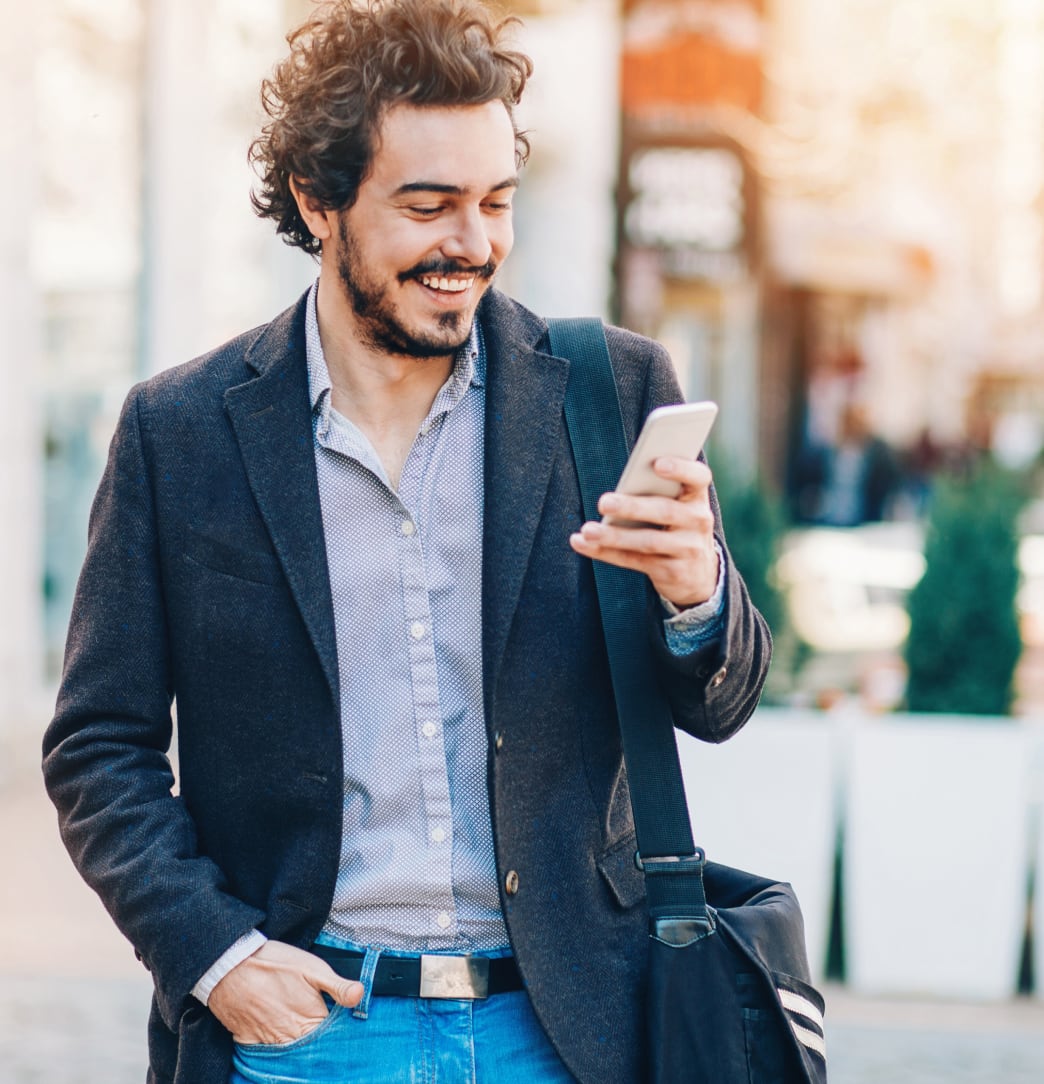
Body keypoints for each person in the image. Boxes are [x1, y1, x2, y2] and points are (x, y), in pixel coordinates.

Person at [42, 2, 770, 1082]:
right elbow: (98, 747)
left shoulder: (611, 395)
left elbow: (723, 701)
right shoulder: (180, 431)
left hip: (567, 1029)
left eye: (495, 202)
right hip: (303, 1032)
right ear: (317, 201)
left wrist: (697, 593)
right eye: (429, 205)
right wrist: (216, 955)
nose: (472, 244)